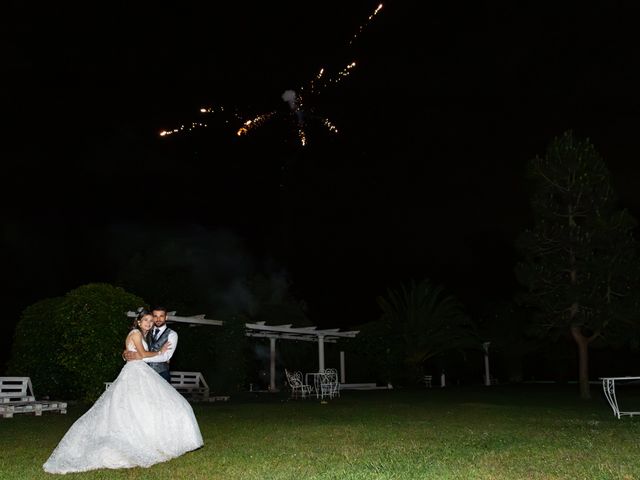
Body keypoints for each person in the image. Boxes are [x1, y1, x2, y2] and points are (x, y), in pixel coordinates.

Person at [43, 309, 203, 474]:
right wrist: (131, 355)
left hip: (155, 373)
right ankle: (146, 441)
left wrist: (150, 354)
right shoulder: (137, 333)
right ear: (139, 322)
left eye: (154, 318)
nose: (152, 321)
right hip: (137, 374)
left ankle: (161, 440)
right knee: (133, 409)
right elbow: (138, 352)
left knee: (164, 407)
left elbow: (159, 356)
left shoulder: (171, 335)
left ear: (165, 318)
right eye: (148, 319)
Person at [124, 305, 176, 382]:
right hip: (143, 372)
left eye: (161, 316)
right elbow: (132, 346)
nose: (158, 319)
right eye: (155, 316)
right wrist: (125, 354)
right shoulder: (145, 331)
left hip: (161, 373)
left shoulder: (172, 334)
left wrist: (141, 357)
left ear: (166, 317)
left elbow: (166, 356)